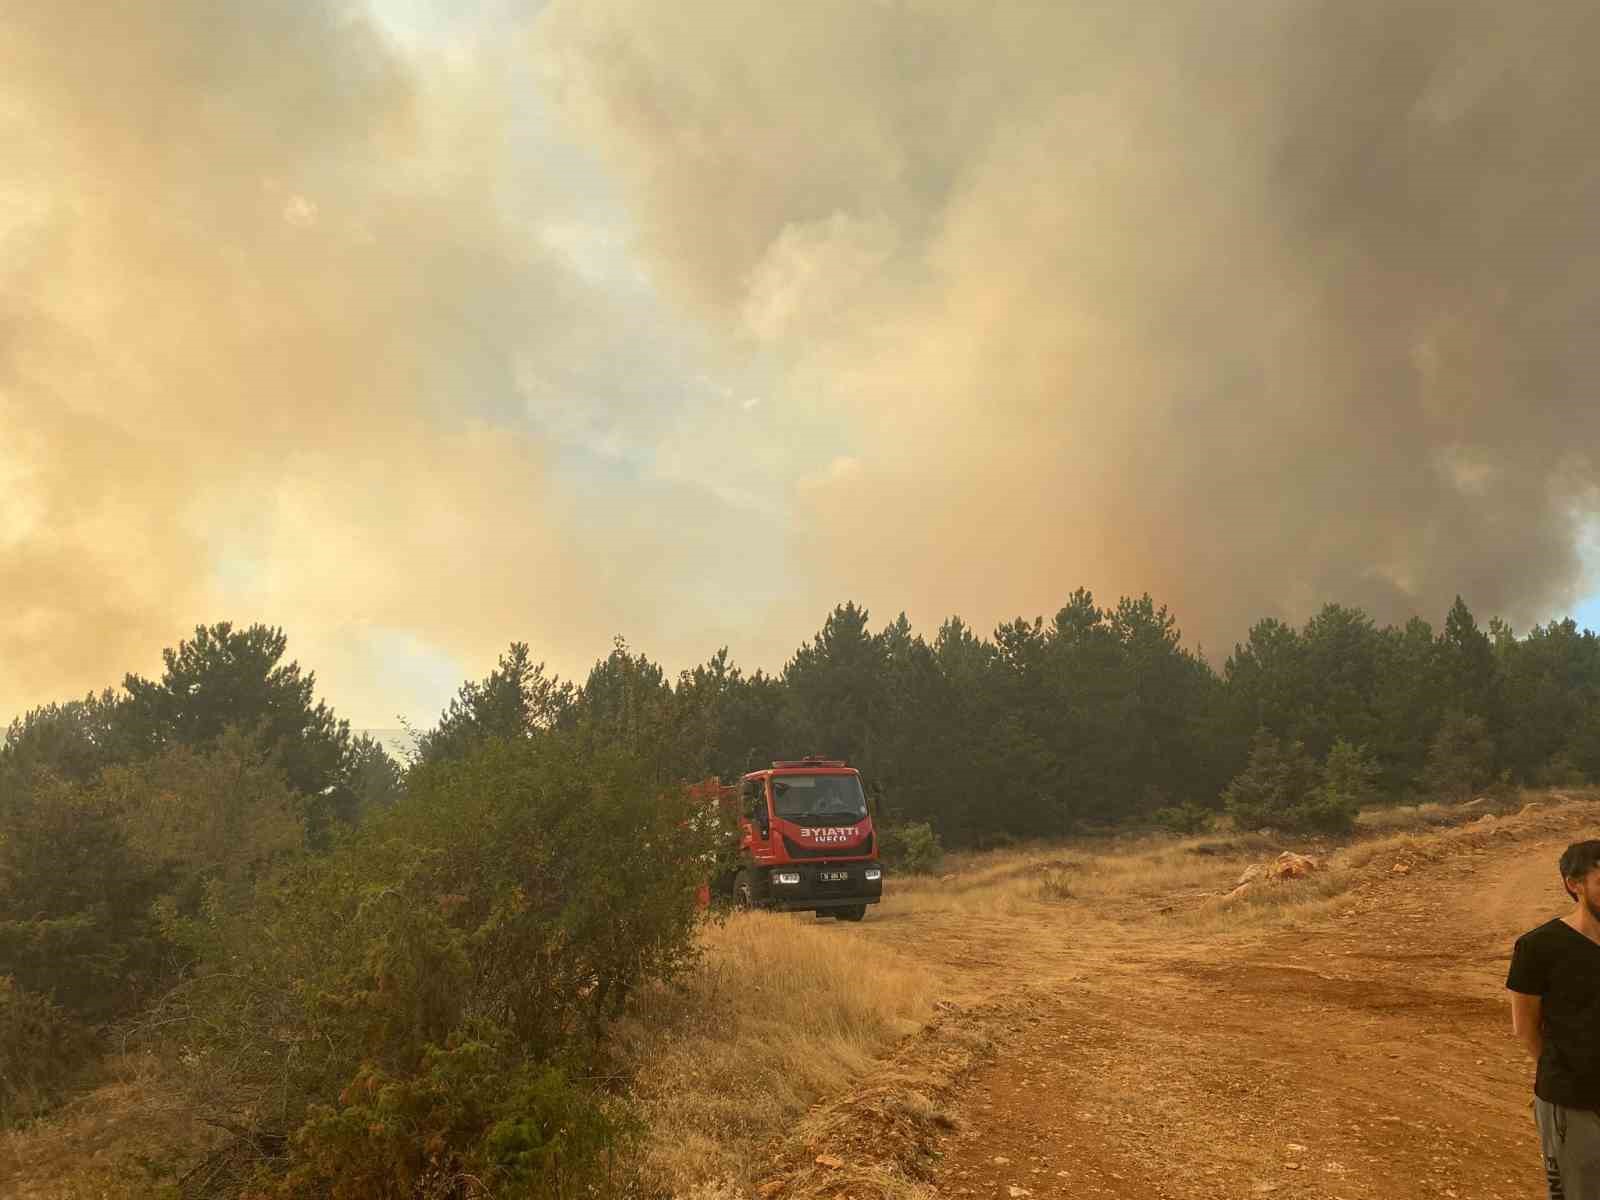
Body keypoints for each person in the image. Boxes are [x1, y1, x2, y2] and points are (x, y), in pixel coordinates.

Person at [1508, 840, 1600, 1199]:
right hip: (1573, 1103)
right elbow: (1525, 1027)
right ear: (1573, 884)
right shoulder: (1538, 946)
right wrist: (1565, 1071)